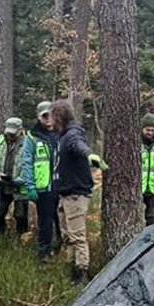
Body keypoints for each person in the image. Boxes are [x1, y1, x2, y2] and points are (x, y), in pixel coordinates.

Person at [51, 98, 99, 284]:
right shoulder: (62, 135)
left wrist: (90, 155)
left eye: (52, 116)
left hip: (76, 194)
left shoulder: (72, 134)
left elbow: (79, 146)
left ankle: (82, 273)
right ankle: (72, 267)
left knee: (78, 235)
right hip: (66, 193)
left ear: (59, 116)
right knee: (68, 234)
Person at [19, 101, 62, 262]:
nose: (49, 118)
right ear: (39, 117)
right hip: (43, 186)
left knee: (62, 220)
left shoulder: (62, 132)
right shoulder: (32, 137)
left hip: (62, 184)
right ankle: (44, 252)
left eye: (51, 114)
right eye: (45, 116)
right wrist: (30, 185)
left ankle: (62, 247)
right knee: (45, 220)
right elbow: (27, 162)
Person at [0, 117, 28, 239]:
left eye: (13, 133)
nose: (10, 135)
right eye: (9, 133)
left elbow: (30, 167)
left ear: (21, 130)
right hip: (2, 185)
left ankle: (21, 240)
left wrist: (18, 180)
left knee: (20, 215)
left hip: (20, 186)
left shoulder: (29, 145)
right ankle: (2, 238)